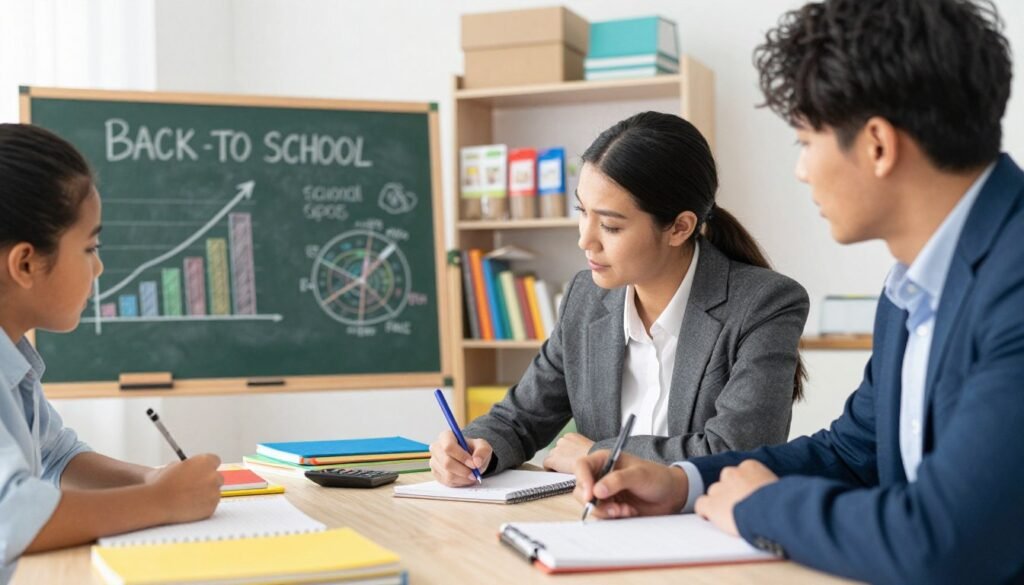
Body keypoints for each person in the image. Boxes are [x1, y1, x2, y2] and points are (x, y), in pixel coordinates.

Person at [573, 1, 1023, 583]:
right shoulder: (909, 289)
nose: (801, 170)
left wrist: (759, 507)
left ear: (878, 146)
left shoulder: (1012, 283)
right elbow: (852, 453)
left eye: (806, 140)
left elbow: (945, 539)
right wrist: (684, 482)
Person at [431, 112, 810, 486]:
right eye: (582, 212)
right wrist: (476, 447)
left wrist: (600, 455)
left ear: (679, 227)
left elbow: (737, 452)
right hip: (599, 527)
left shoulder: (765, 304)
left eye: (610, 226)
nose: (585, 240)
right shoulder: (586, 298)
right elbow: (520, 417)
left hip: (705, 530)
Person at [0, 123, 223, 582]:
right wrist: (163, 502)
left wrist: (151, 479)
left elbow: (58, 456)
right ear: (25, 263)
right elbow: (12, 519)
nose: (99, 267)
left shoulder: (13, 359)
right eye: (90, 247)